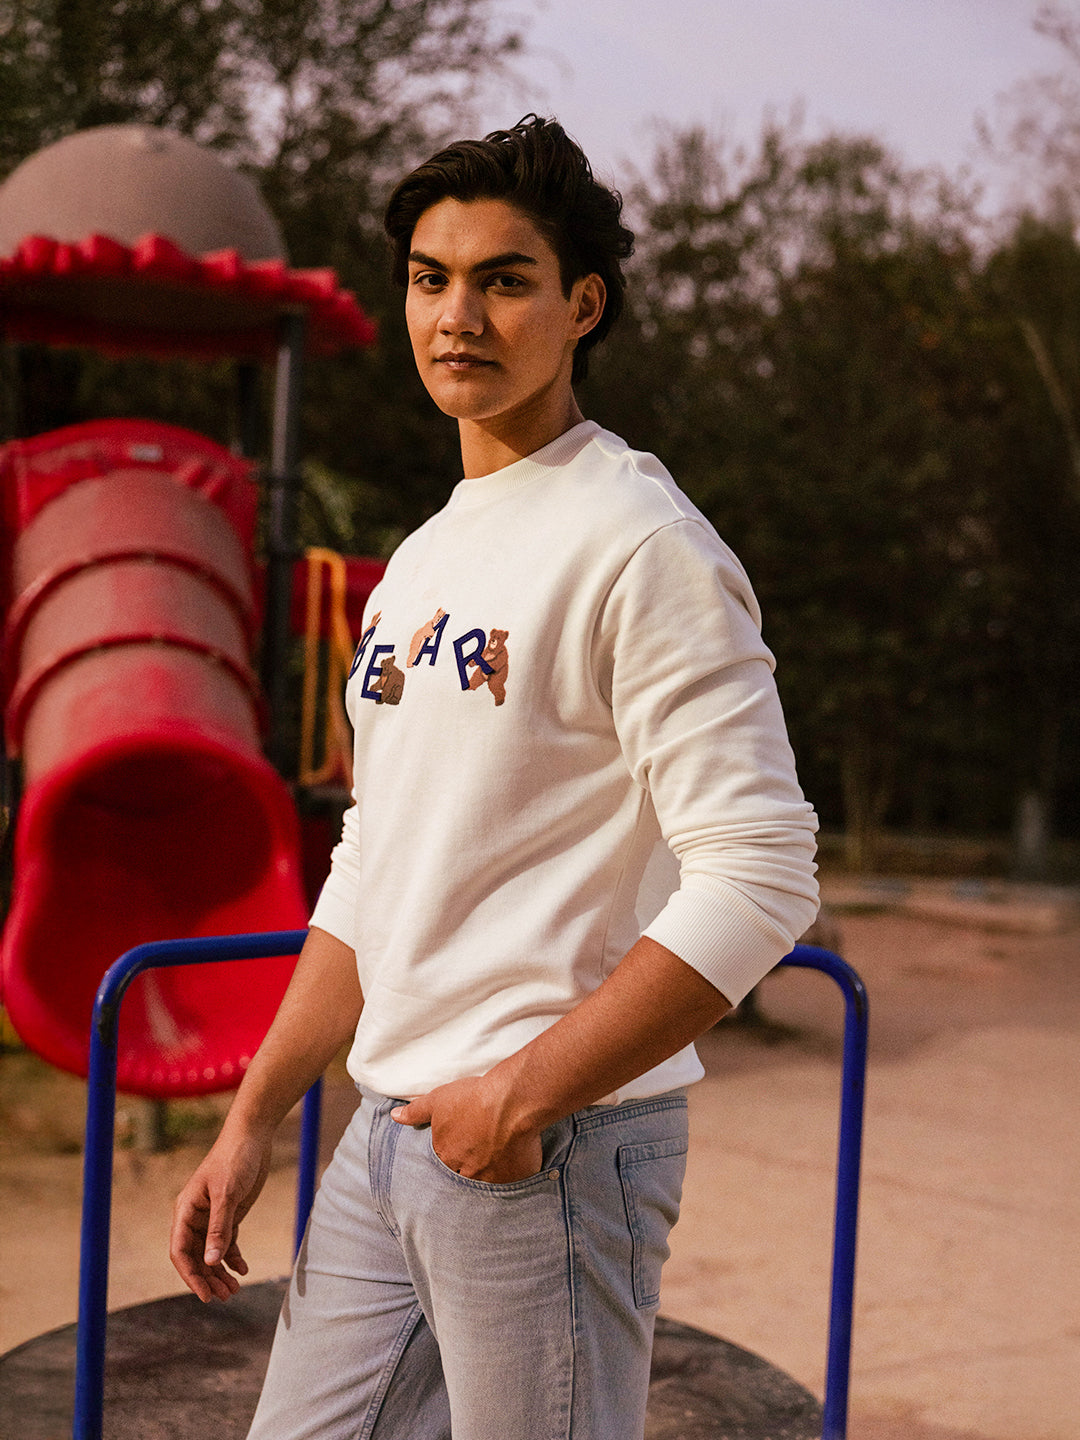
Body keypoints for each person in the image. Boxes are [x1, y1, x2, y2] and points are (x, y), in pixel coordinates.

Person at [170, 115, 819, 1440]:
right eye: (430, 278)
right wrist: (254, 1115)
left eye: (504, 280)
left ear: (582, 306)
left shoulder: (640, 543)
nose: (457, 315)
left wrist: (521, 1097)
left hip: (547, 1147)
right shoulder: (419, 563)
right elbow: (376, 863)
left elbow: (762, 872)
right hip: (387, 1133)